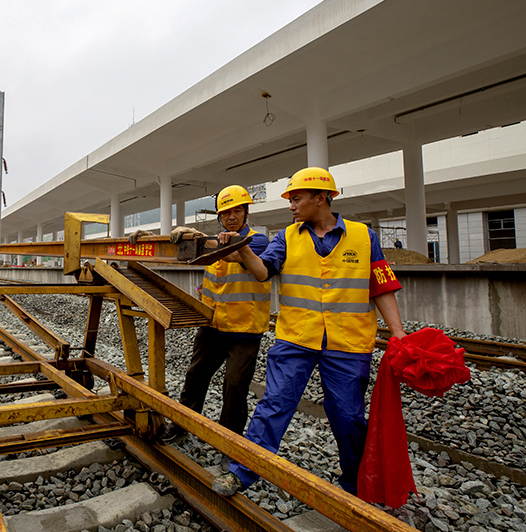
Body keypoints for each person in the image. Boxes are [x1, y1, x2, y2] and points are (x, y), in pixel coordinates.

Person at [212, 167, 405, 497]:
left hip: (348, 342)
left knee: (348, 417)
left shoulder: (363, 236)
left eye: (296, 198)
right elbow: (261, 272)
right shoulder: (286, 238)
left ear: (321, 198)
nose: (291, 206)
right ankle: (242, 472)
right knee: (274, 404)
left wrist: (398, 334)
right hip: (296, 338)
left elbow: (381, 286)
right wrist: (244, 249)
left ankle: (355, 484)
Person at [161, 185, 271, 447]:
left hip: (245, 330)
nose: (231, 216)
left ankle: (229, 443)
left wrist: (195, 235)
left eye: (237, 211)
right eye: (226, 213)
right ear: (219, 216)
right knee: (195, 376)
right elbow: (199, 251)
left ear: (246, 213)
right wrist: (185, 236)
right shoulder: (216, 239)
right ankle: (182, 424)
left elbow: (233, 252)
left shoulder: (259, 240)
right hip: (212, 326)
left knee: (234, 387)